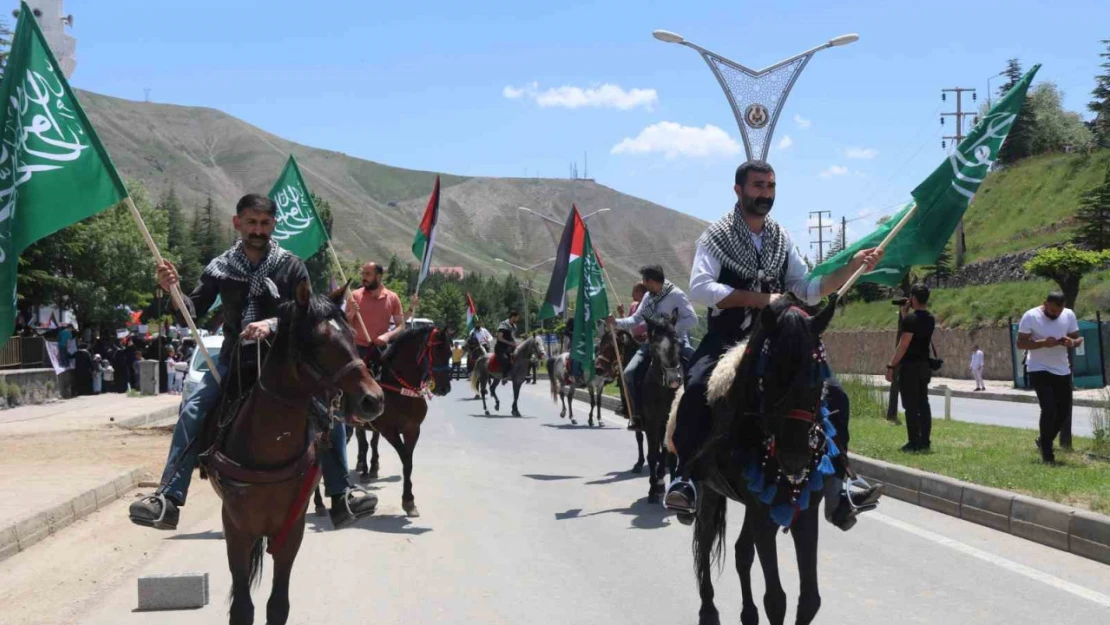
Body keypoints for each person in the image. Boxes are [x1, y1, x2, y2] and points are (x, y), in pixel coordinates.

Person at [129, 194, 375, 531]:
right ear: (237, 223)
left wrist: (271, 324)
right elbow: (194, 307)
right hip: (234, 362)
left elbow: (307, 315)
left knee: (328, 409)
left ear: (274, 225)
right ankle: (168, 498)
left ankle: (342, 493)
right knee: (193, 408)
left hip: (284, 365)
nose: (257, 230)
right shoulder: (220, 267)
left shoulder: (291, 265)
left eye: (264, 223)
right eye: (251, 223)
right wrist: (172, 290)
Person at [665, 160, 884, 527]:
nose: (765, 193)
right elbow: (701, 288)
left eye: (770, 186)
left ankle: (840, 483)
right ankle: (687, 477)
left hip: (777, 339)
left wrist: (853, 268)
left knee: (833, 394)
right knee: (698, 386)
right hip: (727, 337)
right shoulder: (716, 237)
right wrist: (760, 300)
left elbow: (808, 290)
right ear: (739, 190)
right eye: (758, 186)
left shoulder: (781, 238)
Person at [606, 265, 698, 431]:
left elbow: (693, 319)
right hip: (652, 344)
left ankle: (696, 413)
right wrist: (616, 323)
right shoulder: (648, 297)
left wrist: (669, 331)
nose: (643, 284)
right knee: (629, 373)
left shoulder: (676, 295)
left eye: (644, 281)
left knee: (699, 369)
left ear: (651, 281)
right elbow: (635, 319)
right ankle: (637, 415)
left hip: (676, 342)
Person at [1017, 291, 1082, 464]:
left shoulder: (1068, 315)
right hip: (1038, 368)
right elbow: (1020, 343)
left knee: (1063, 411)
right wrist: (1043, 343)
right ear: (1045, 304)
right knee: (1049, 408)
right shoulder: (1030, 316)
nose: (1055, 314)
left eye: (1058, 312)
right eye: (1052, 311)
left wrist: (1071, 342)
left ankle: (1044, 440)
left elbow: (1078, 339)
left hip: (1062, 369)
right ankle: (1047, 453)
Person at [886, 284, 936, 452]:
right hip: (924, 366)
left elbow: (904, 345)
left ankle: (913, 441)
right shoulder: (930, 318)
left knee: (910, 405)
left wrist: (891, 366)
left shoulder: (910, 320)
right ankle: (925, 441)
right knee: (923, 403)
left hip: (910, 367)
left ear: (913, 298)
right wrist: (905, 314)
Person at [347, 261, 414, 372]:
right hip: (357, 351)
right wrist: (351, 315)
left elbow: (401, 326)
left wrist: (387, 336)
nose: (364, 277)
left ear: (378, 277)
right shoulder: (354, 296)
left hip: (381, 350)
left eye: (367, 274)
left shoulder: (393, 298)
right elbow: (347, 326)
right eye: (363, 273)